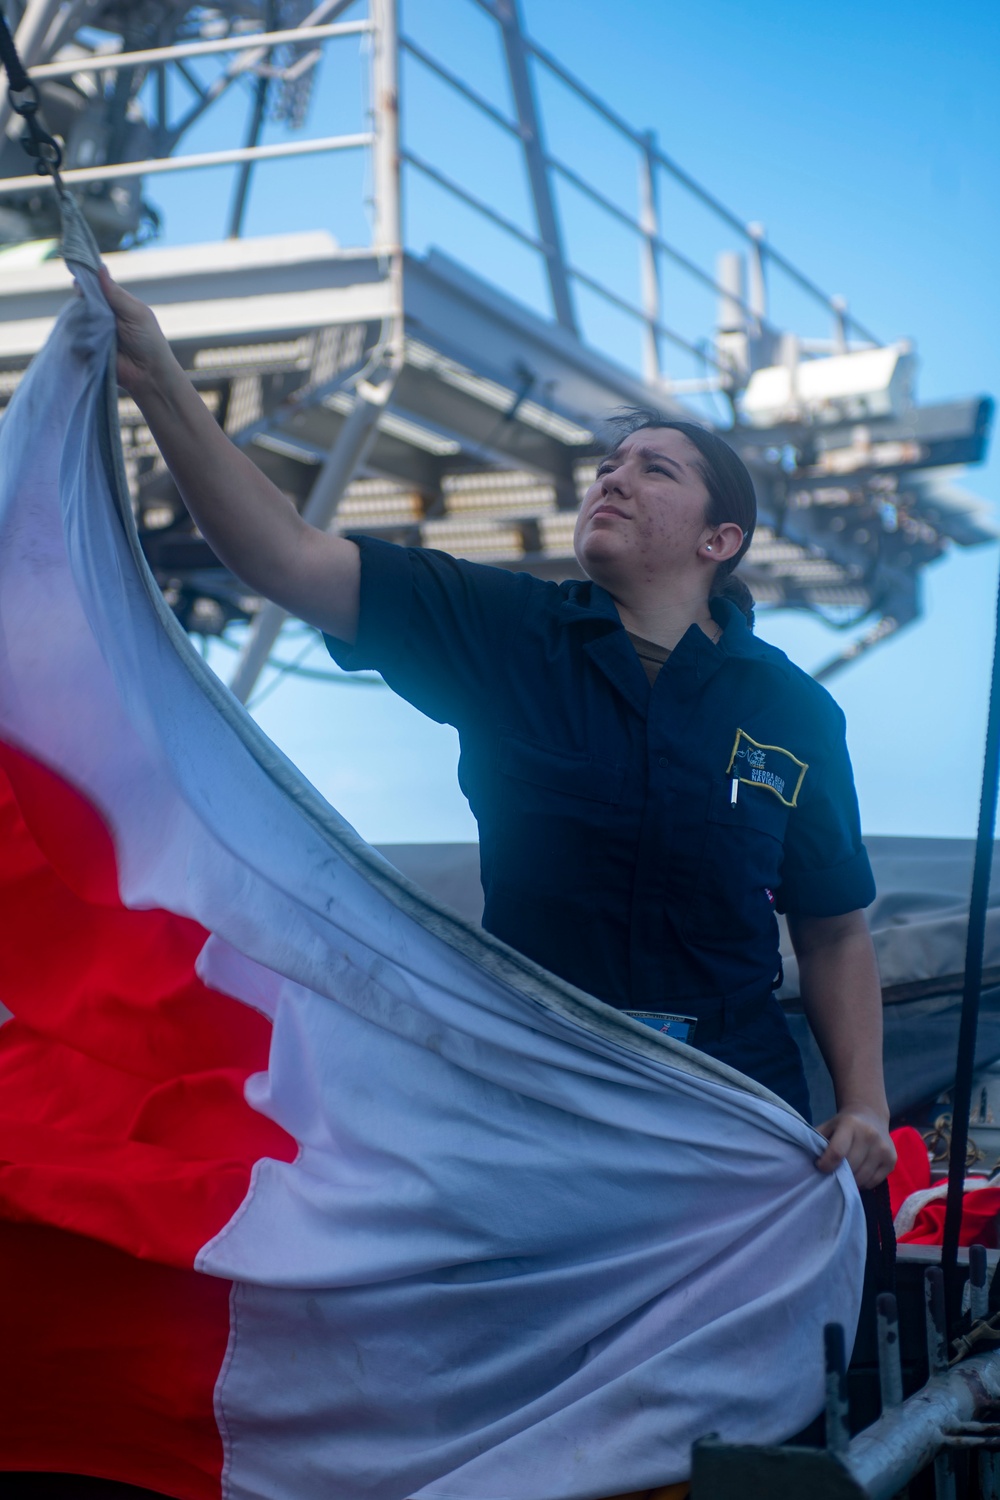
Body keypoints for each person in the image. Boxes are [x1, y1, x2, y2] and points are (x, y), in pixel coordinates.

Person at [97, 267, 897, 1189]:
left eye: (654, 469)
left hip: (731, 1121)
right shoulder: (507, 632)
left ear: (720, 542)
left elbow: (834, 929)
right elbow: (285, 556)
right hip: (536, 1108)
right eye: (607, 468)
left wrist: (865, 1105)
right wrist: (156, 374)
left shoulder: (794, 715)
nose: (614, 480)